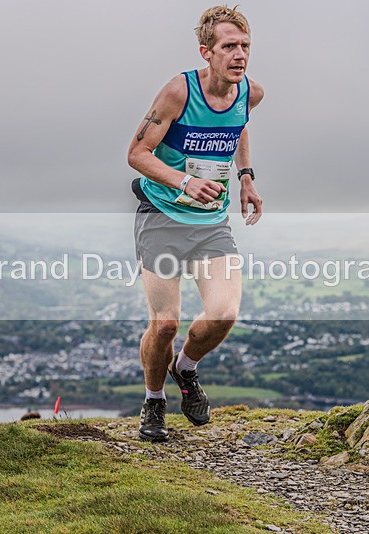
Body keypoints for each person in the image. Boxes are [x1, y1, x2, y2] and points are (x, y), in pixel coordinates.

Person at [127, 5, 264, 441]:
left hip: (211, 222)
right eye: (229, 46)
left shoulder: (250, 92)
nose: (239, 54)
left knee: (224, 314)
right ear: (206, 51)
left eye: (244, 46)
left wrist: (245, 178)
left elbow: (239, 126)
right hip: (162, 216)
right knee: (164, 323)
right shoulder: (177, 93)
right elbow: (136, 154)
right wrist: (184, 182)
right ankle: (153, 401)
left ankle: (184, 370)